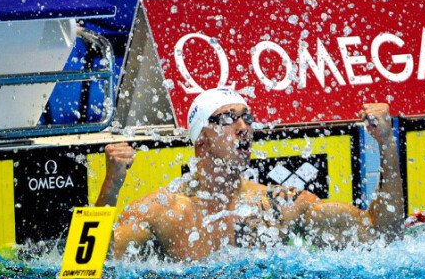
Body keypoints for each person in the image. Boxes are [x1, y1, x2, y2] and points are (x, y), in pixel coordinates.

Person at [96, 88, 404, 261]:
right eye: (228, 119)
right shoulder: (164, 210)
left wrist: (387, 144)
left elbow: (380, 233)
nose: (244, 128)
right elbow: (89, 267)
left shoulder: (277, 204)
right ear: (200, 141)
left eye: (248, 118)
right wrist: (109, 189)